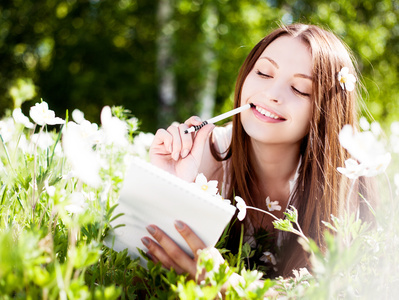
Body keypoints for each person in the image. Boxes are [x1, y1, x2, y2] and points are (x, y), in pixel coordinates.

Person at [141, 23, 376, 283]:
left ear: (326, 114)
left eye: (300, 89)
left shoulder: (346, 178)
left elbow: (329, 291)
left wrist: (233, 288)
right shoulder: (203, 155)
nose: (271, 94)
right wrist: (168, 186)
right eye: (264, 73)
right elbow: (141, 270)